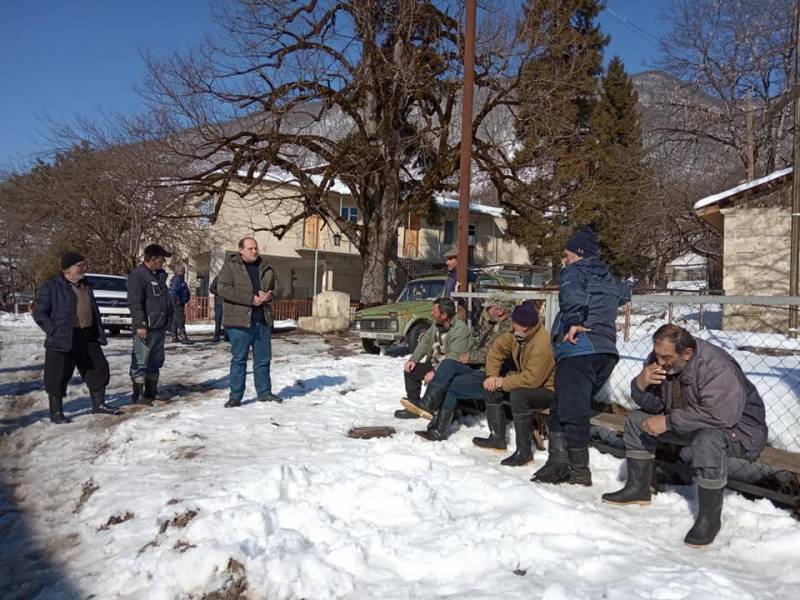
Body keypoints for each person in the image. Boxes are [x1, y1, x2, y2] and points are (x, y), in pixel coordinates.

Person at [602, 324, 767, 547]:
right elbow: (656, 405)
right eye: (657, 355)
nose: (659, 362)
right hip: (690, 422)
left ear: (687, 353)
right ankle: (638, 488)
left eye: (666, 357)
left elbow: (722, 416)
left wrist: (668, 422)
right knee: (636, 420)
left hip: (740, 430)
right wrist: (640, 385)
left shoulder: (716, 366)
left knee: (708, 439)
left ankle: (709, 519)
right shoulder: (662, 359)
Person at [531, 227, 629, 486]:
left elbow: (571, 293)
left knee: (572, 412)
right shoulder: (608, 277)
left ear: (580, 253)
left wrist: (574, 320)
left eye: (567, 255)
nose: (564, 260)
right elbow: (624, 294)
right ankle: (557, 462)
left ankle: (578, 472)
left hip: (579, 349)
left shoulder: (575, 271)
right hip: (606, 352)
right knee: (561, 406)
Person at [407, 297, 514, 440]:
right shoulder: (490, 324)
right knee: (448, 364)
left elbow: (492, 354)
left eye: (489, 308)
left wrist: (469, 357)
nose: (486, 311)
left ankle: (437, 428)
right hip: (477, 368)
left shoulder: (508, 329)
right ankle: (428, 404)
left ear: (499, 311)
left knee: (452, 383)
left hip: (493, 374)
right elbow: (476, 343)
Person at [32, 252, 121, 423]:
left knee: (98, 368)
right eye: (80, 265)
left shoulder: (85, 285)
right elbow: (39, 313)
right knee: (57, 375)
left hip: (87, 335)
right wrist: (53, 330)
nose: (84, 268)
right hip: (63, 337)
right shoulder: (51, 287)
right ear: (67, 268)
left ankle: (99, 404)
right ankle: (56, 413)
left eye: (84, 265)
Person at [472, 301, 555, 466]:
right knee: (491, 388)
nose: (512, 325)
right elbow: (496, 350)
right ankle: (497, 439)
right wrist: (492, 376)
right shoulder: (517, 334)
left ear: (524, 326)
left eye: (515, 323)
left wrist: (502, 381)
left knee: (519, 395)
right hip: (528, 382)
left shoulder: (542, 344)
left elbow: (532, 380)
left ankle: (524, 452)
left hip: (548, 390)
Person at [217, 236, 282, 407]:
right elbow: (222, 289)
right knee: (239, 360)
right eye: (250, 248)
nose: (254, 251)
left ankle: (265, 393)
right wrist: (250, 299)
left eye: (256, 248)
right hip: (240, 322)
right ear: (241, 250)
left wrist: (269, 296)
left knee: (263, 360)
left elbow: (279, 289)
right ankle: (235, 397)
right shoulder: (230, 266)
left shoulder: (266, 267)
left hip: (263, 321)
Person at [394, 297, 473, 419]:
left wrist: (435, 372)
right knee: (410, 370)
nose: (432, 313)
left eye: (434, 311)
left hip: (450, 370)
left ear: (444, 315)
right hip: (435, 364)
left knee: (441, 378)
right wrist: (413, 359)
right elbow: (425, 342)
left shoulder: (461, 330)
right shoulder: (436, 325)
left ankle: (433, 407)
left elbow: (453, 357)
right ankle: (413, 406)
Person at [127, 243, 174, 405]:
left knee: (155, 361)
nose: (164, 262)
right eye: (162, 258)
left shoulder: (158, 276)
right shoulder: (138, 276)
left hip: (159, 326)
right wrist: (140, 324)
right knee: (140, 360)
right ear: (153, 259)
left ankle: (151, 392)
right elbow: (134, 302)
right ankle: (138, 394)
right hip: (146, 328)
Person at [169, 265, 193, 345]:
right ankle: (183, 337)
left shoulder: (179, 279)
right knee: (180, 319)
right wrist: (177, 300)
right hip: (178, 303)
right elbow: (173, 291)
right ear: (179, 271)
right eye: (183, 271)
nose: (184, 272)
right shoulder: (177, 279)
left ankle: (174, 336)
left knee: (175, 320)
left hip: (179, 302)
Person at [209, 274, 227, 343]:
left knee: (227, 321)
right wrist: (219, 292)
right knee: (218, 320)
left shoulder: (230, 278)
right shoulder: (217, 278)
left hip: (227, 303)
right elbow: (211, 289)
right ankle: (217, 336)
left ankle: (227, 337)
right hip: (218, 303)